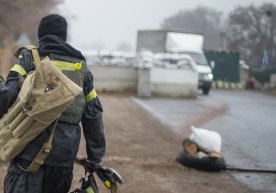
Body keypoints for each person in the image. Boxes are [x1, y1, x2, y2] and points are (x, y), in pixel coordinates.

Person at [0, 14, 106, 193]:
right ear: (64, 37)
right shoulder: (81, 67)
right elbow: (93, 114)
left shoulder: (29, 57)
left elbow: (8, 93)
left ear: (41, 35)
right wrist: (95, 157)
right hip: (64, 153)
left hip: (28, 146)